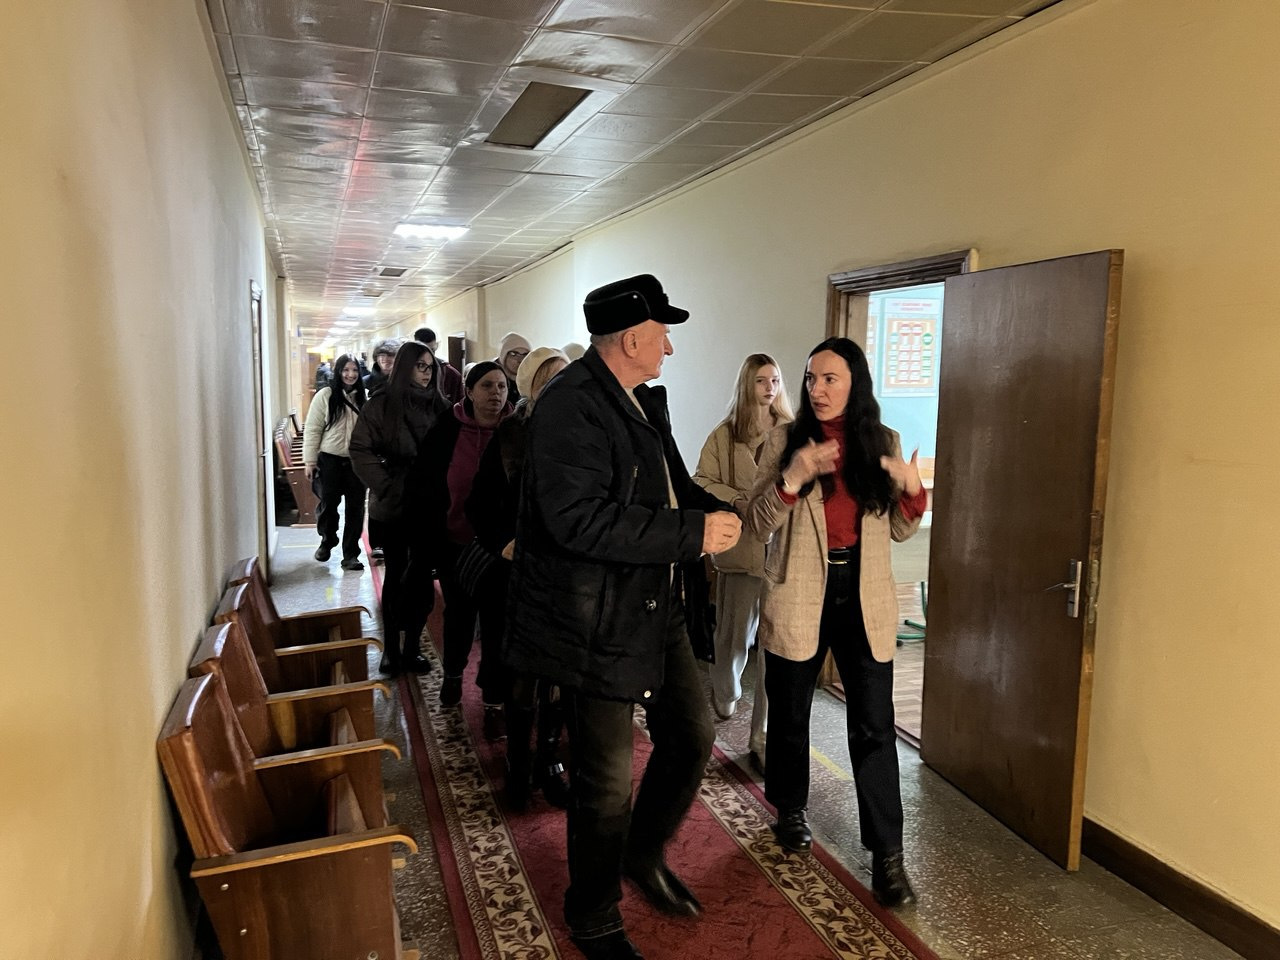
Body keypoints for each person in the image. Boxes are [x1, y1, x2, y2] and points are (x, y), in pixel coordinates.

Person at [505, 274, 741, 960]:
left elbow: (670, 490)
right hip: (596, 620)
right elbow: (578, 521)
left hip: (653, 604)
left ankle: (641, 852)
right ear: (632, 338)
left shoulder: (640, 398)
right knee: (605, 780)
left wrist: (719, 513)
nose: (670, 346)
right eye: (663, 333)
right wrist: (691, 535)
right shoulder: (569, 406)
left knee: (691, 735)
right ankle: (593, 913)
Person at [742, 336, 927, 909]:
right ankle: (790, 809)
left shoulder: (882, 442)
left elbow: (900, 530)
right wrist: (793, 477)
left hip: (862, 594)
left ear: (855, 384)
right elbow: (756, 522)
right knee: (790, 711)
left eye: (830, 379)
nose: (817, 389)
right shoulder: (784, 440)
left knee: (874, 725)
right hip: (800, 590)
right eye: (810, 378)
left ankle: (888, 855)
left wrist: (913, 492)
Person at [466, 346, 571, 809]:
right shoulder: (510, 435)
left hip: (567, 577)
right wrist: (503, 541)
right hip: (519, 576)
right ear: (530, 386)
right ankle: (518, 761)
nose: (558, 388)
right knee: (522, 675)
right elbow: (478, 505)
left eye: (564, 378)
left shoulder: (581, 432)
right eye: (548, 379)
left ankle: (549, 759)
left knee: (559, 674)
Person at [692, 353, 794, 773]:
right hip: (740, 550)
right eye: (761, 381)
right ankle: (727, 689)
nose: (769, 388)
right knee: (734, 634)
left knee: (772, 645)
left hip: (781, 554)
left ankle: (762, 737)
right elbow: (701, 479)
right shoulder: (725, 434)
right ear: (746, 385)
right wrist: (735, 498)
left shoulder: (791, 433)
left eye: (775, 380)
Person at [411, 361, 513, 718]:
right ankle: (453, 674)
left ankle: (493, 694)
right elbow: (426, 486)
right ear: (469, 391)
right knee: (459, 615)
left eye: (502, 386)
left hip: (499, 549)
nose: (496, 393)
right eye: (487, 386)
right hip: (455, 542)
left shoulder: (515, 432)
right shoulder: (447, 428)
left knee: (498, 622)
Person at [349, 340, 450, 674]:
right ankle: (391, 648)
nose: (426, 373)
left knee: (421, 580)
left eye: (430, 367)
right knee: (396, 575)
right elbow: (360, 449)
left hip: (431, 505)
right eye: (420, 366)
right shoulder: (382, 404)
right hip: (394, 504)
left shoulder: (441, 407)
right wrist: (388, 486)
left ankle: (412, 648)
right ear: (406, 366)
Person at [302, 353, 368, 571]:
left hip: (356, 462)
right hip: (330, 460)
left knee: (355, 509)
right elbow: (313, 429)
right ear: (338, 371)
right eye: (346, 370)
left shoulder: (364, 397)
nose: (350, 375)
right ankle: (327, 539)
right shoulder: (326, 395)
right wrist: (310, 461)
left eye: (355, 370)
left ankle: (351, 554)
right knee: (328, 505)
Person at [414, 326, 463, 403]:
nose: (428, 355)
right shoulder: (407, 372)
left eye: (432, 350)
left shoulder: (450, 374)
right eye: (423, 351)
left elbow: (459, 405)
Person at [494, 331, 531, 403]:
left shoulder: (531, 379)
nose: (520, 360)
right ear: (504, 356)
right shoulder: (491, 376)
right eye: (514, 354)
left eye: (525, 355)